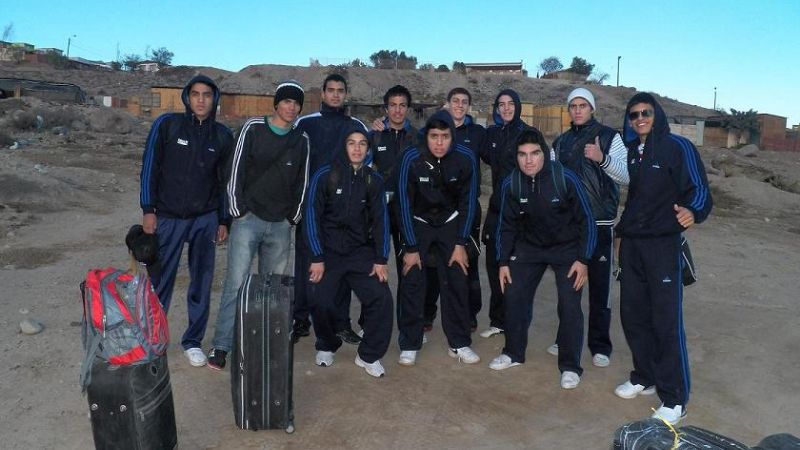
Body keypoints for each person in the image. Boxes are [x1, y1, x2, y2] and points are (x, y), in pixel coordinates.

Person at [613, 92, 712, 425]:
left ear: (657, 115)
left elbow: (699, 188)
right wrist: (621, 235)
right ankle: (644, 376)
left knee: (666, 322)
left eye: (646, 113)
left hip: (663, 247)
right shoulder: (632, 153)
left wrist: (693, 211)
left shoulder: (677, 146)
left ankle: (675, 398)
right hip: (633, 247)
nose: (640, 118)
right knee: (633, 315)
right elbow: (636, 200)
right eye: (634, 114)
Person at [206, 81, 310, 370]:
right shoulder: (253, 128)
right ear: (276, 104)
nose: (291, 107)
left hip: (280, 226)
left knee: (272, 289)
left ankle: (264, 344)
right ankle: (222, 345)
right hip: (248, 221)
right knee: (236, 284)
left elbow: (303, 181)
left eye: (296, 103)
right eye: (286, 101)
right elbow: (235, 170)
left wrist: (293, 218)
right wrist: (238, 211)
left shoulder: (301, 139)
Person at [488, 129, 596, 390]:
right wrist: (503, 262)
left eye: (534, 153)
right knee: (513, 294)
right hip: (530, 247)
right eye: (522, 155)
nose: (528, 160)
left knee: (570, 305)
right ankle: (513, 352)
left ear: (544, 154)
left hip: (566, 249)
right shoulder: (510, 183)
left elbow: (588, 222)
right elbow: (505, 225)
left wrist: (583, 260)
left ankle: (570, 366)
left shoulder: (565, 178)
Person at [139, 74, 233, 367]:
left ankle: (192, 341)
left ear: (214, 99)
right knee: (159, 281)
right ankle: (153, 340)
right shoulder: (166, 125)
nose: (201, 100)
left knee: (201, 282)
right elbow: (150, 167)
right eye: (196, 94)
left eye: (207, 94)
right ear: (187, 98)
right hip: (167, 217)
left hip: (204, 218)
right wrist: (148, 209)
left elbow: (224, 183)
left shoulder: (222, 136)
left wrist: (223, 220)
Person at [547, 88, 629, 367]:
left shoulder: (610, 137)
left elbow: (627, 175)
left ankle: (599, 346)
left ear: (592, 108)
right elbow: (550, 179)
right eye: (573, 106)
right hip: (570, 228)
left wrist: (602, 158)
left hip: (601, 224)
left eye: (583, 105)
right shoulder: (561, 142)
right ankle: (565, 338)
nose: (578, 110)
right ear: (569, 110)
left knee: (600, 290)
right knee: (568, 288)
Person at [305, 127, 393, 378]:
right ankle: (326, 344)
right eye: (351, 143)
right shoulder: (325, 175)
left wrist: (380, 259)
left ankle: (369, 354)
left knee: (381, 298)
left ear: (368, 149)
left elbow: (381, 221)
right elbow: (312, 216)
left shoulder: (372, 179)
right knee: (319, 299)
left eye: (362, 144)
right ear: (343, 146)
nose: (357, 148)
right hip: (328, 253)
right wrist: (317, 257)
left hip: (360, 253)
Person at [394, 110, 479, 366]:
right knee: (412, 279)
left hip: (450, 223)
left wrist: (461, 242)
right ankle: (410, 342)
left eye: (445, 136)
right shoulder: (411, 157)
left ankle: (459, 342)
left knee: (456, 279)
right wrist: (410, 246)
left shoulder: (465, 158)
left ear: (452, 136)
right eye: (434, 136)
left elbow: (469, 203)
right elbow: (402, 203)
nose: (439, 143)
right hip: (418, 222)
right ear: (426, 136)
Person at [293, 74, 368, 344]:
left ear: (346, 94)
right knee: (305, 266)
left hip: (342, 212)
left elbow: (367, 157)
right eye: (331, 90)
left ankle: (341, 323)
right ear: (323, 93)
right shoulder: (306, 123)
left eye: (340, 91)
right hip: (310, 209)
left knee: (340, 269)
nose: (336, 95)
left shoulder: (355, 125)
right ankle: (299, 320)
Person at [422, 88, 486, 333]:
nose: (460, 105)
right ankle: (427, 314)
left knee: (466, 264)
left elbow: (503, 154)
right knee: (431, 266)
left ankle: (468, 315)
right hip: (434, 212)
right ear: (446, 104)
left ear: (469, 106)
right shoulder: (432, 131)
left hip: (466, 208)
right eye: (455, 101)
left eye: (464, 102)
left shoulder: (478, 133)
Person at [479, 89, 538, 339]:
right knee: (494, 264)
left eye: (510, 104)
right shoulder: (492, 133)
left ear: (518, 106)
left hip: (521, 210)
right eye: (501, 104)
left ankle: (517, 322)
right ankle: (498, 320)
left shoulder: (528, 134)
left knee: (518, 268)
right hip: (496, 209)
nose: (506, 108)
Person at [368, 85, 417, 280]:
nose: (397, 110)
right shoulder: (374, 135)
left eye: (402, 105)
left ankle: (407, 312)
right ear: (386, 109)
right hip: (380, 209)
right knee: (375, 268)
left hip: (407, 210)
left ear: (408, 108)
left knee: (409, 270)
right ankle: (373, 311)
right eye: (393, 105)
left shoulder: (418, 138)